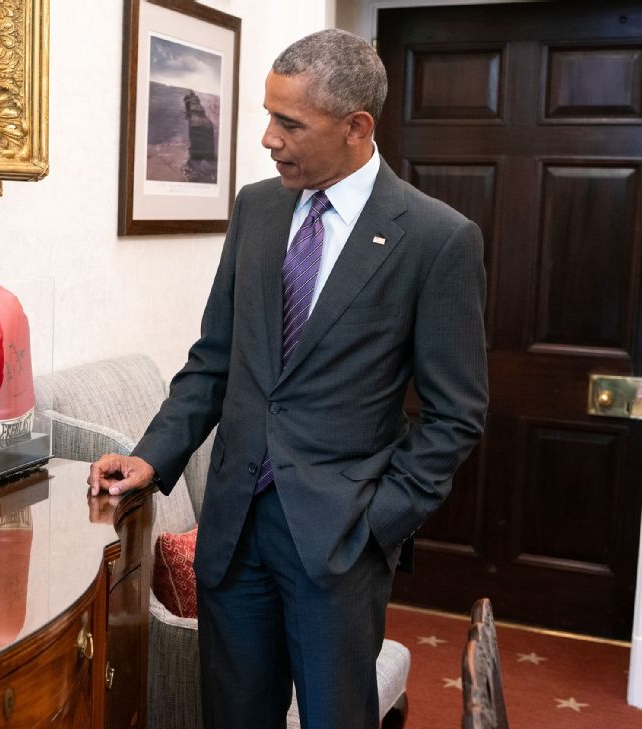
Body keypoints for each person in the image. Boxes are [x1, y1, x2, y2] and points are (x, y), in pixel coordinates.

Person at [88, 29, 488, 729]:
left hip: (337, 546)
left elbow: (455, 415)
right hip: (233, 532)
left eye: (290, 122)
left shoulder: (436, 238)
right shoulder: (258, 208)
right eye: (268, 116)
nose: (268, 138)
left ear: (357, 127)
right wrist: (152, 457)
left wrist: (375, 525)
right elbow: (215, 357)